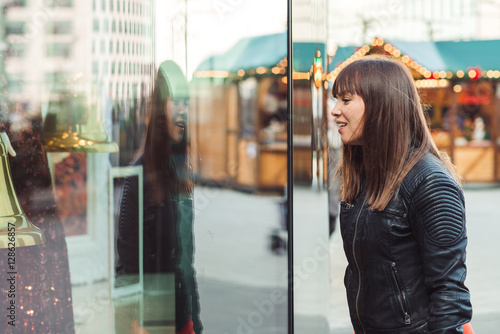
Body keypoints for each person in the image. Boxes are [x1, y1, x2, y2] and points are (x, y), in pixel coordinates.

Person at [330, 56, 472, 333]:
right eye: (336, 99)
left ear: (381, 103)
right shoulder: (367, 172)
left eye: (346, 100)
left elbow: (450, 293)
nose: (335, 110)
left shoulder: (429, 182)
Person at [117, 60, 202, 334]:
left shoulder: (179, 172)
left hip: (182, 318)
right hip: (152, 322)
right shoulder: (139, 175)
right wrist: (131, 321)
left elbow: (185, 262)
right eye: (175, 101)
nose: (183, 110)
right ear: (159, 107)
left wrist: (195, 322)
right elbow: (126, 262)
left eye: (186, 102)